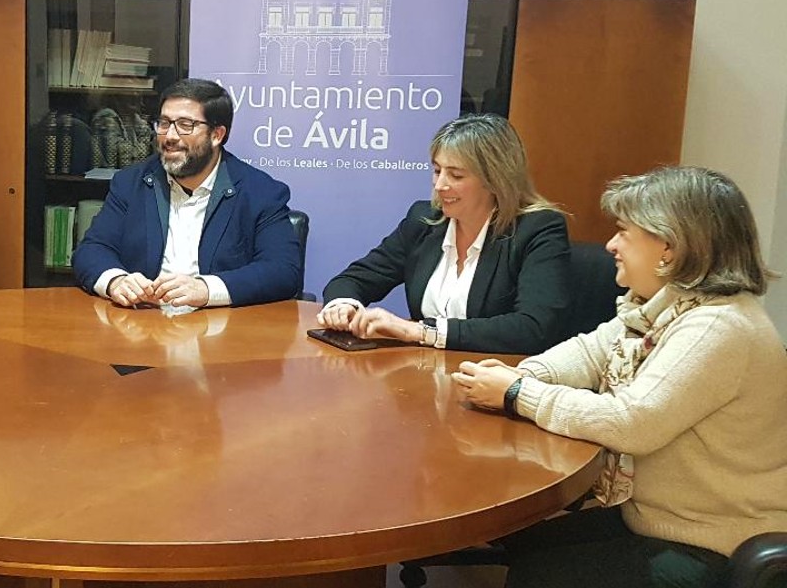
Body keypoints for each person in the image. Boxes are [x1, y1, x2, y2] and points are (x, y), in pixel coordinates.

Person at [453, 166, 787, 588]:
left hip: (712, 541)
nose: (611, 244)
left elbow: (631, 422)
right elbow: (588, 352)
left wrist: (518, 392)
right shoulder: (662, 308)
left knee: (540, 575)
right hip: (654, 517)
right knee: (523, 539)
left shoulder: (719, 327)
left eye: (624, 232)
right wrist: (520, 374)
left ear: (670, 247)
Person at [318, 113, 570, 354]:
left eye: (455, 175)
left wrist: (421, 331)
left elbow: (534, 327)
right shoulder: (424, 221)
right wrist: (343, 304)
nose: (439, 185)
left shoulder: (537, 229)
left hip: (491, 373)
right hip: (423, 370)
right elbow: (354, 279)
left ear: (495, 180)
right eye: (437, 171)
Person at [72, 78, 302, 309]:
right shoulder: (131, 183)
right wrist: (116, 281)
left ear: (216, 135)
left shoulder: (260, 192)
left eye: (185, 125)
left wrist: (207, 289)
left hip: (219, 325)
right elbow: (91, 250)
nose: (170, 136)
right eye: (164, 123)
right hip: (143, 321)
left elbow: (282, 270)